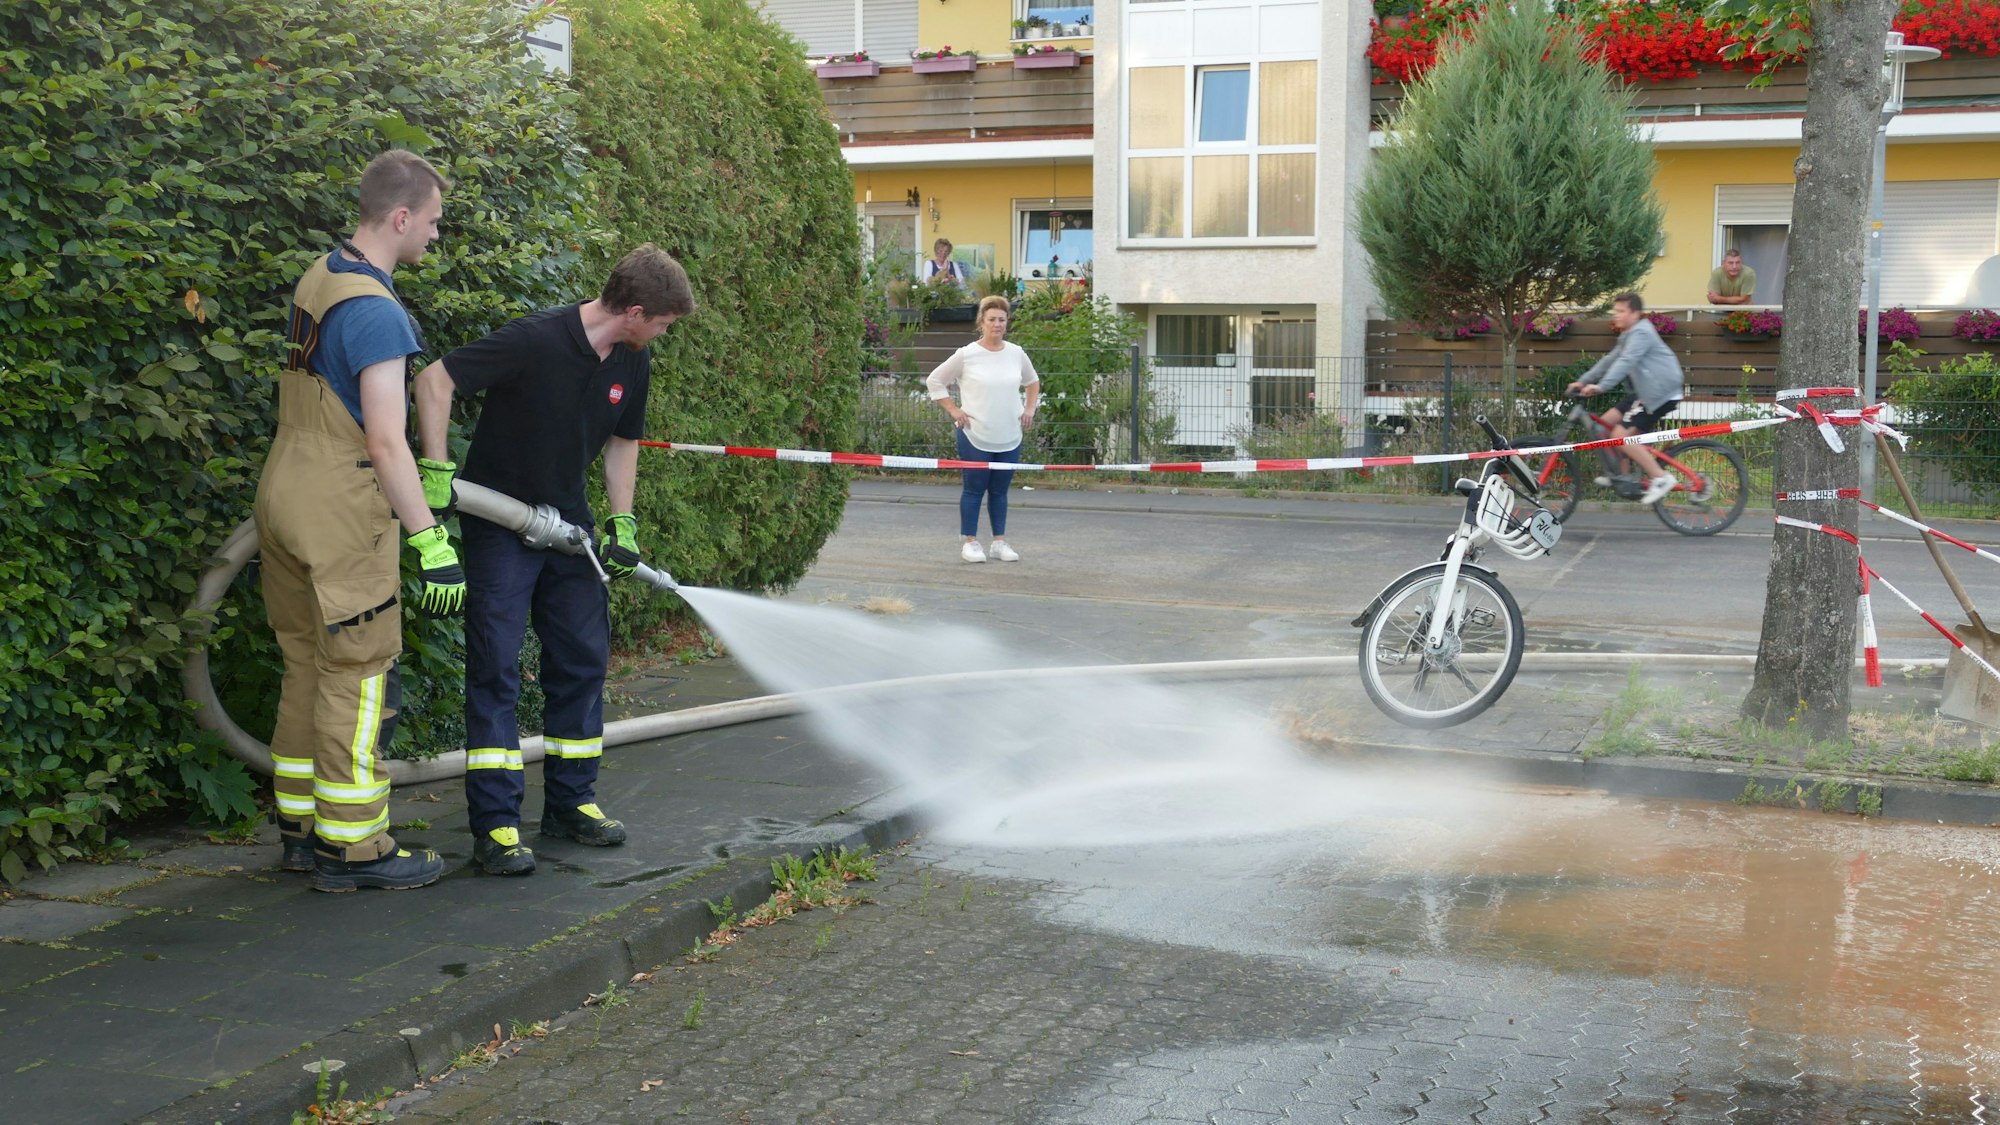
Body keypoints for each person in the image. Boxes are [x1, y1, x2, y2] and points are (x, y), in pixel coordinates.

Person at [412, 245, 695, 877]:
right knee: (496, 668)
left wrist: (622, 521)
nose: (663, 336)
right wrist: (435, 470)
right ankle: (497, 827)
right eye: (663, 324)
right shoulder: (534, 340)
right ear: (637, 311)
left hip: (570, 528)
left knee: (582, 659)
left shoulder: (631, 360)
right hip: (498, 525)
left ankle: (571, 803)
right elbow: (433, 380)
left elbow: (624, 441)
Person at [254, 150, 459, 892]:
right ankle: (354, 846)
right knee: (361, 673)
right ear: (400, 218)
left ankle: (300, 829)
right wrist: (429, 537)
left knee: (306, 663)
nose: (436, 235)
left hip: (283, 493)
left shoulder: (322, 274)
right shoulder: (377, 314)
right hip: (341, 508)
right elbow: (384, 439)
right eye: (433, 222)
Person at [927, 295, 1040, 562]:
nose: (997, 324)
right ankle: (970, 542)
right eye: (992, 319)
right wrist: (954, 410)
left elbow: (1032, 382)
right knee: (974, 488)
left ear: (1007, 322)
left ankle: (999, 542)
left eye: (1002, 319)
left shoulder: (1016, 353)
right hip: (975, 435)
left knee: (1000, 490)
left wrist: (1030, 409)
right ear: (982, 321)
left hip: (1010, 436)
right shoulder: (967, 354)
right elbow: (935, 381)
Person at [1565, 292, 1686, 506]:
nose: (1616, 315)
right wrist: (1583, 381)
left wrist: (1601, 386)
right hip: (1644, 391)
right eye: (1615, 311)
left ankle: (1661, 477)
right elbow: (1609, 360)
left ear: (1635, 313)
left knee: (1620, 435)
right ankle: (1622, 476)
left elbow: (1626, 362)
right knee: (1603, 426)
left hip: (1659, 392)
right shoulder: (1628, 334)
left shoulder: (1642, 333)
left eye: (1621, 311)